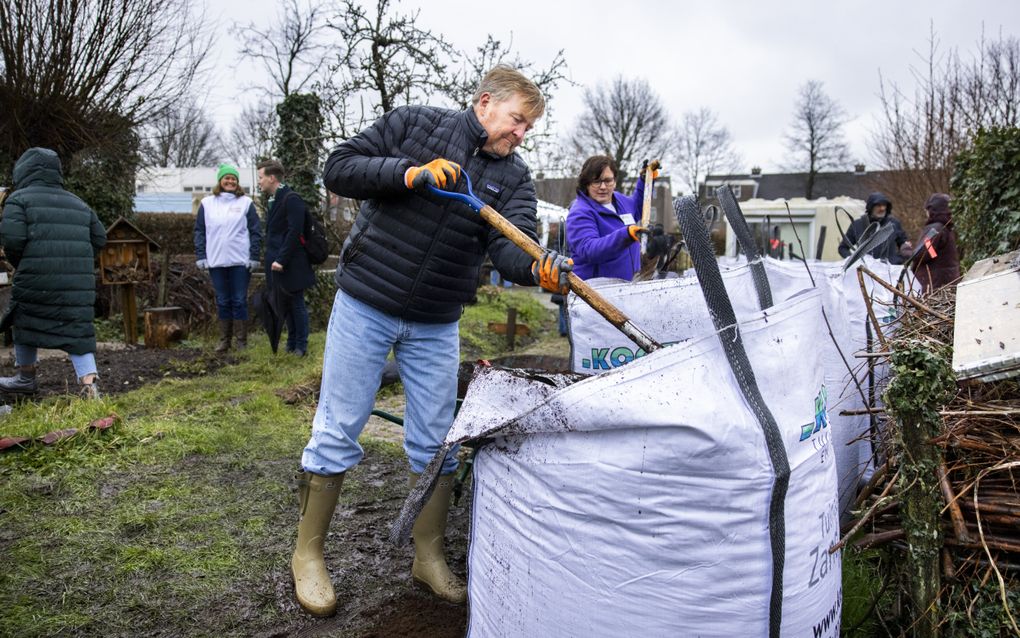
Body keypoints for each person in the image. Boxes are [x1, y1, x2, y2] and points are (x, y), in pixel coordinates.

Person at [291, 65, 570, 617]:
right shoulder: (414, 124)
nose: (521, 134)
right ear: (486, 102)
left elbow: (511, 245)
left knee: (437, 442)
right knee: (338, 428)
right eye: (517, 121)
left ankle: (428, 555)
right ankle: (309, 554)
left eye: (528, 128)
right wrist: (410, 174)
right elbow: (339, 168)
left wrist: (537, 267)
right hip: (366, 300)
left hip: (436, 321)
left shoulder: (514, 178)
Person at [0, 147, 106, 398]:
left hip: (35, 278)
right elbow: (99, 237)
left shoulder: (19, 199)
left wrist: (23, 263)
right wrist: (77, 262)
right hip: (76, 285)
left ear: (23, 170)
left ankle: (25, 379)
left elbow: (13, 240)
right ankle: (89, 384)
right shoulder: (79, 203)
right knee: (78, 331)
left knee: (24, 321)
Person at [193, 164, 262, 352]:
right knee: (223, 300)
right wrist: (201, 255)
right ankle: (224, 340)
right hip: (216, 261)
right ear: (220, 181)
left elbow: (255, 231)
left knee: (239, 300)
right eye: (227, 178)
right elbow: (200, 231)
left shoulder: (245, 203)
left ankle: (241, 341)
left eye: (234, 178)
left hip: (240, 261)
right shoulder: (207, 203)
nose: (230, 181)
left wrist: (254, 255)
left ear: (237, 182)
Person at [566, 155, 660, 280]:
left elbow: (638, 207)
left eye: (608, 181)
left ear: (615, 181)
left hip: (625, 287)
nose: (603, 187)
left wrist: (645, 180)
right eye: (596, 181)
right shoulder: (580, 212)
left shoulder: (619, 200)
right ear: (586, 183)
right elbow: (589, 250)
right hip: (593, 292)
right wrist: (625, 235)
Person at [256, 160, 316, 356]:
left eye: (260, 177)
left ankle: (301, 345)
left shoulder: (291, 199)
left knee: (296, 303)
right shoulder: (275, 199)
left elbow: (294, 231)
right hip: (277, 263)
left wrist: (281, 259)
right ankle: (291, 343)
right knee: (285, 303)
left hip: (291, 263)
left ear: (271, 178)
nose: (259, 182)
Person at [837, 192, 911, 264]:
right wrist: (854, 262)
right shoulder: (857, 225)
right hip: (865, 271)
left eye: (884, 205)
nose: (882, 208)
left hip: (889, 272)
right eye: (878, 205)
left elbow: (904, 244)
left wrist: (898, 259)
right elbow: (843, 248)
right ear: (870, 207)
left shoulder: (894, 224)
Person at [910, 193, 960, 294]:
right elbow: (932, 253)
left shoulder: (935, 228)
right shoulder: (946, 228)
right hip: (946, 282)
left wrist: (907, 251)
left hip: (935, 284)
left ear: (933, 210)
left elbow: (925, 252)